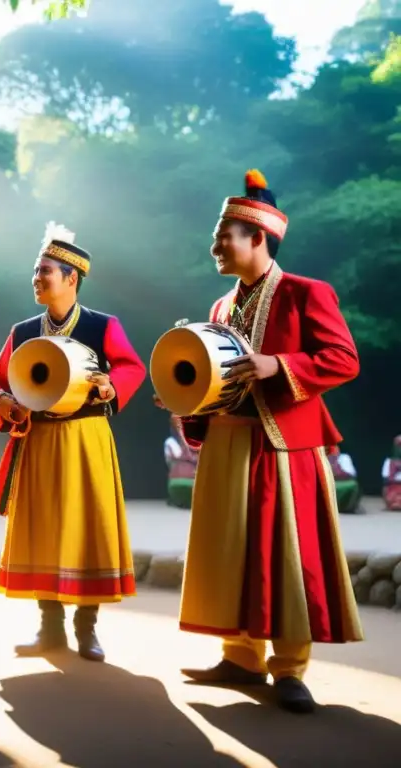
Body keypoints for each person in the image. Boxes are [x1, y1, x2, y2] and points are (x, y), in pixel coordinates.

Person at [168, 170, 362, 714]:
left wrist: (278, 364)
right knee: (231, 550)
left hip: (283, 445)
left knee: (285, 553)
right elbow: (215, 380)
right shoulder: (219, 310)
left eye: (223, 234)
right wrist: (186, 395)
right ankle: (242, 658)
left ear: (258, 237)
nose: (214, 246)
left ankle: (290, 668)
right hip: (229, 442)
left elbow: (345, 359)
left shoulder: (306, 293)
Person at [0, 223, 145, 662]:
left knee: (85, 527)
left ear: (71, 278)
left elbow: (133, 367)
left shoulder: (101, 326)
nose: (37, 278)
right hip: (38, 441)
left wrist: (112, 384)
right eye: (35, 271)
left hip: (85, 438)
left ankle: (86, 628)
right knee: (45, 530)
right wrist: (4, 404)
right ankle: (49, 628)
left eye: (45, 271)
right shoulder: (22, 332)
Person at [164, 415, 198, 509]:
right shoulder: (171, 443)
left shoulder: (170, 443)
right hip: (192, 486)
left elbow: (169, 462)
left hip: (176, 485)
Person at [328, 445, 361, 514]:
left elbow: (351, 474)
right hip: (325, 482)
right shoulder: (319, 457)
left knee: (353, 485)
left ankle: (347, 507)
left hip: (342, 481)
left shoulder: (344, 457)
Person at [382, 436, 401, 510]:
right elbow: (386, 480)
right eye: (399, 446)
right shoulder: (389, 462)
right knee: (386, 487)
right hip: (394, 488)